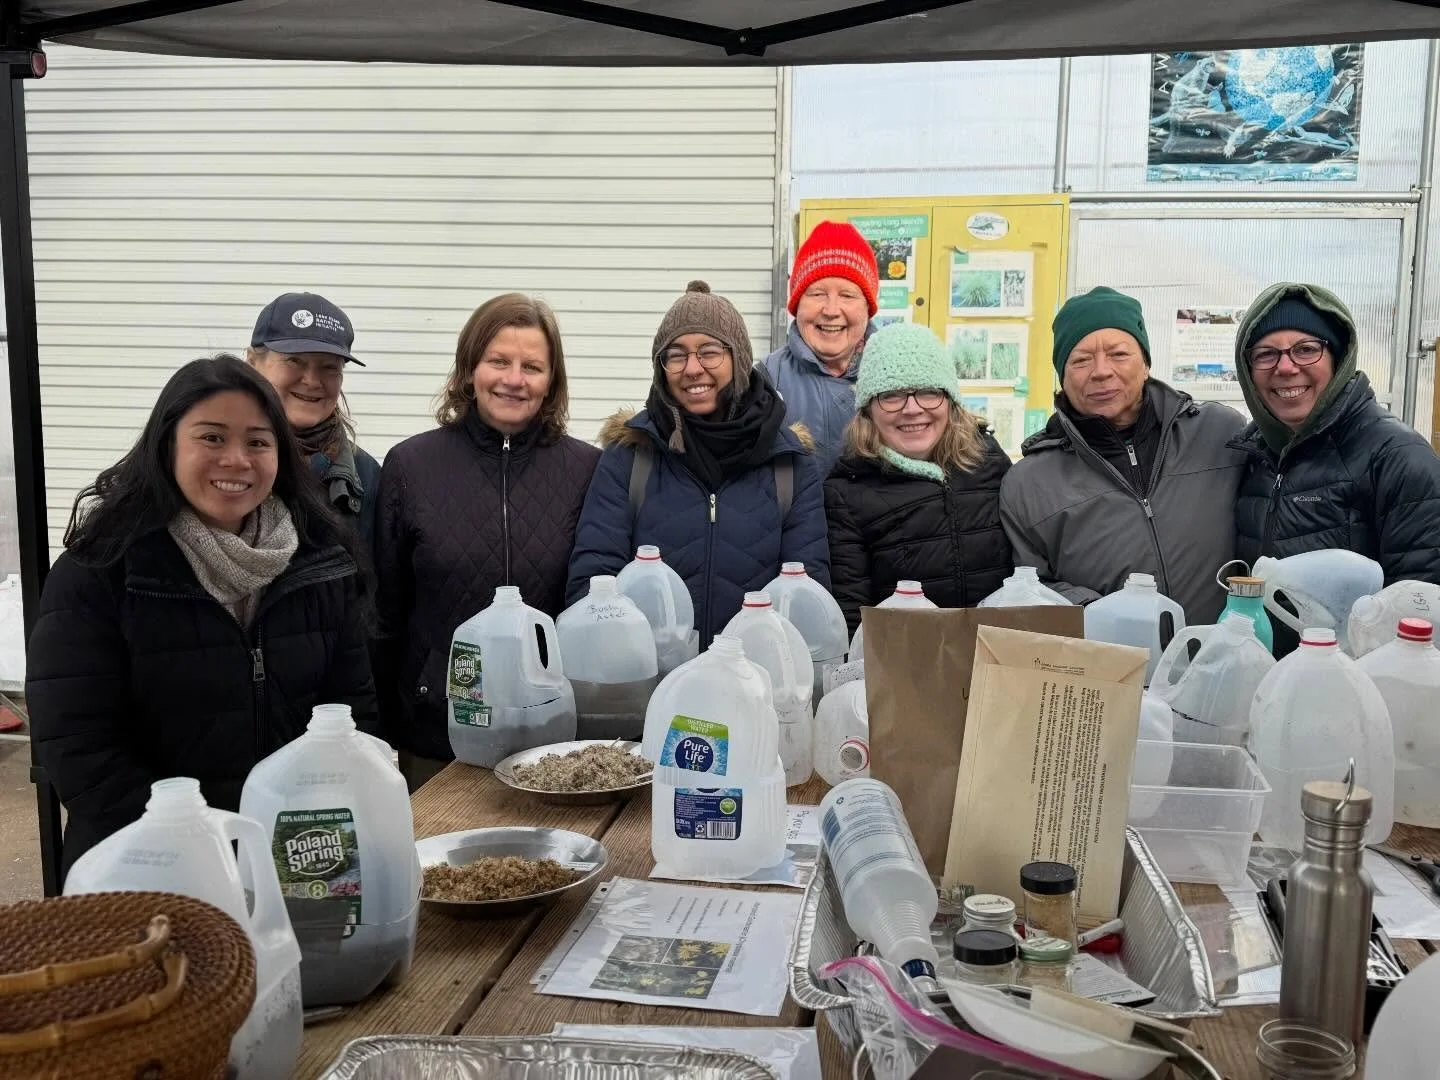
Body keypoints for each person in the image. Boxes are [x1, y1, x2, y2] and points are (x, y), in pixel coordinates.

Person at [26, 355, 377, 875]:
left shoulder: (320, 561)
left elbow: (352, 715)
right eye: (211, 438)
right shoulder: (100, 571)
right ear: (167, 444)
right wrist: (196, 849)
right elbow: (78, 750)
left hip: (295, 860)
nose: (237, 460)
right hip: (147, 864)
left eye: (258, 441)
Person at [375, 293, 600, 789]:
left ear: (551, 381)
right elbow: (384, 611)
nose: (513, 379)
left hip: (552, 737)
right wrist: (383, 727)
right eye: (498, 361)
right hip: (437, 735)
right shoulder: (411, 466)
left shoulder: (587, 469)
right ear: (469, 369)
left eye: (532, 367)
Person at [567, 280, 830, 645]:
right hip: (651, 687)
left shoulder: (789, 464)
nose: (693, 368)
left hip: (755, 687)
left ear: (737, 359)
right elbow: (593, 582)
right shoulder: (631, 456)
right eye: (676, 355)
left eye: (709, 351)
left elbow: (807, 601)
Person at [999, 287, 1248, 624]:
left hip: (1222, 659)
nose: (1101, 371)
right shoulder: (1028, 483)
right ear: (1062, 377)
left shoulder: (1220, 434)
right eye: (1081, 360)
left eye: (1118, 354)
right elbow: (1028, 588)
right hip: (1108, 668)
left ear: (1145, 364)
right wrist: (1099, 614)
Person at [1232, 282, 1440, 588]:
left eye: (1305, 350)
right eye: (1266, 354)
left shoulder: (1396, 457)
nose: (1286, 367)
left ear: (1337, 359)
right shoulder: (1254, 455)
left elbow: (1420, 606)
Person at [825, 323, 1013, 634]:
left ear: (950, 401)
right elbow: (853, 619)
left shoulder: (989, 462)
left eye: (928, 391)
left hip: (996, 663)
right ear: (868, 409)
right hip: (909, 668)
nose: (912, 409)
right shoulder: (847, 493)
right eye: (891, 395)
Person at [246, 291, 381, 552]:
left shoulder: (366, 476)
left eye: (329, 367)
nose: (311, 381)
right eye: (294, 361)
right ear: (252, 362)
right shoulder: (213, 458)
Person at [764, 221, 881, 476]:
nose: (830, 310)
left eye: (847, 295)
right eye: (817, 294)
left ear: (868, 308)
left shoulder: (896, 375)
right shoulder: (766, 379)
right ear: (797, 304)